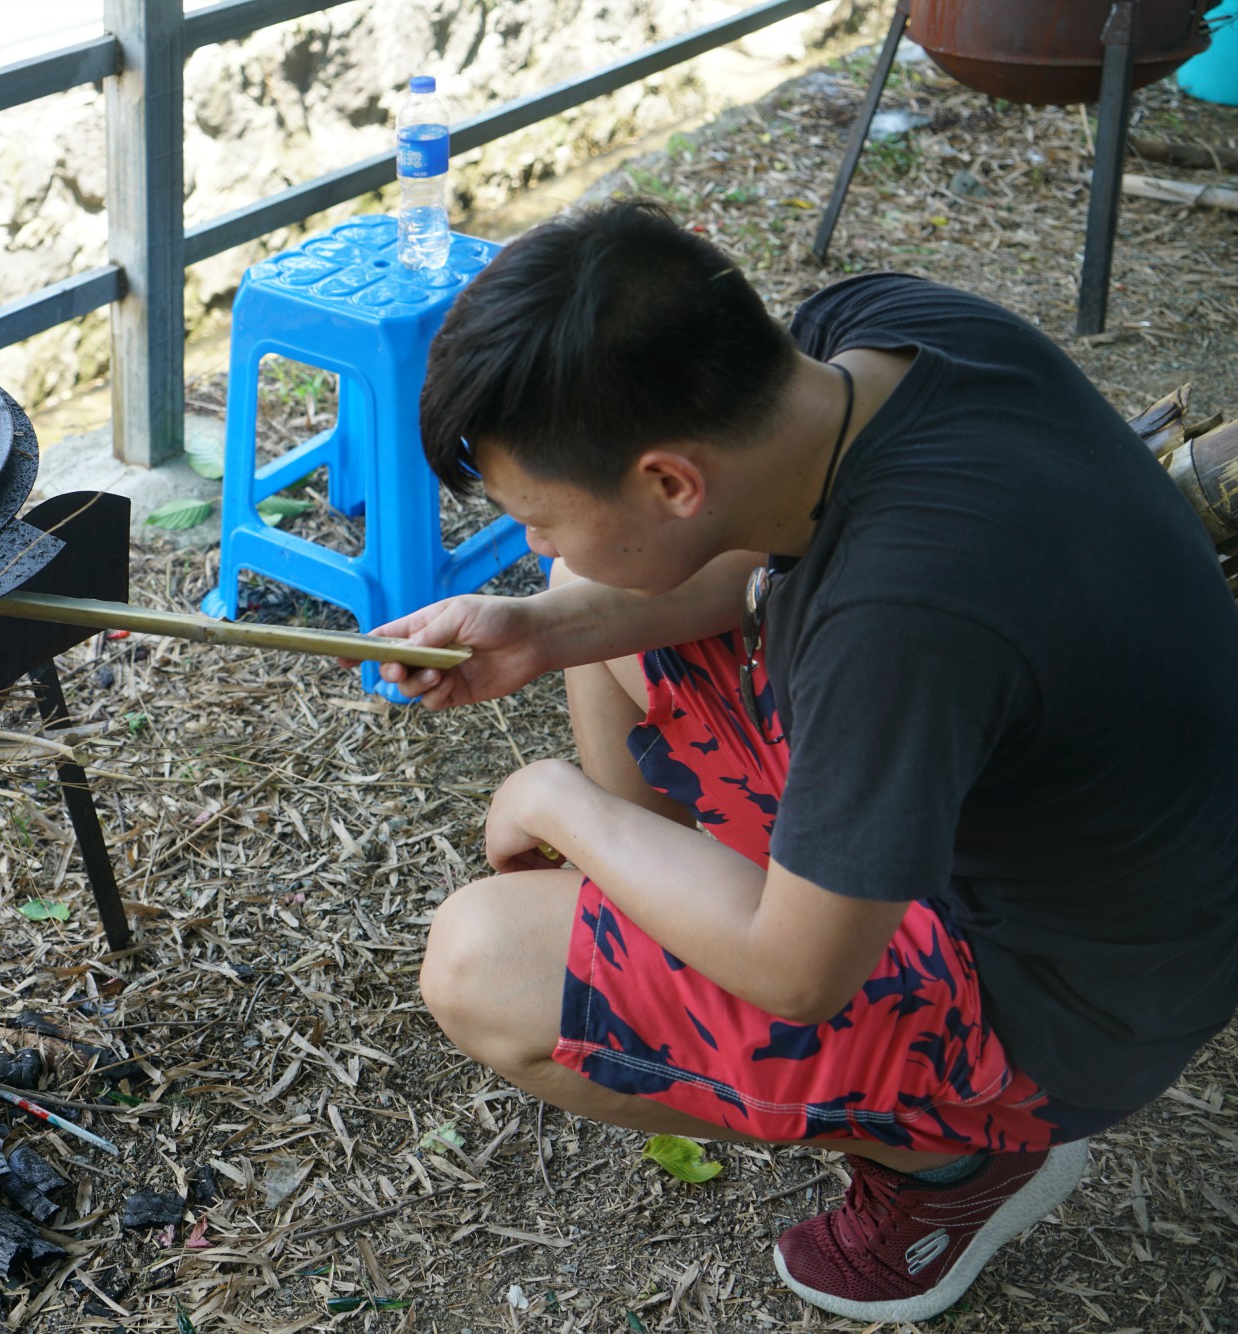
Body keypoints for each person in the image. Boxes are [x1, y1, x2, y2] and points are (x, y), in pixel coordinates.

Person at [367, 200, 1238, 1323]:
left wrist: (554, 798)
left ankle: (954, 1168)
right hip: (1095, 839)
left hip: (1068, 1001)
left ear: (669, 480)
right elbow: (734, 568)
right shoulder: (879, 333)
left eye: (541, 518)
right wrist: (539, 626)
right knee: (613, 614)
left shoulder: (899, 623)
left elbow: (795, 972)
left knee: (482, 962)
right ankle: (684, 928)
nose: (537, 547)